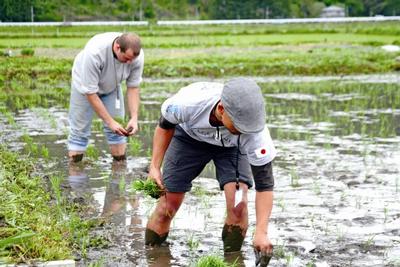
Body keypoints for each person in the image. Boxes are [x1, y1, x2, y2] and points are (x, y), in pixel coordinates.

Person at [145, 78, 276, 255]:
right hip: (188, 138)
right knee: (167, 206)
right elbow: (165, 126)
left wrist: (261, 231)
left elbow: (265, 185)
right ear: (221, 109)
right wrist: (154, 167)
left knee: (238, 207)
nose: (246, 130)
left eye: (249, 128)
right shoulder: (188, 104)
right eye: (240, 126)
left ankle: (232, 261)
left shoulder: (255, 134)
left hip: (232, 147)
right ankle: (152, 256)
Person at [67, 32, 144, 162]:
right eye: (126, 59)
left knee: (118, 130)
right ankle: (76, 176)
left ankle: (119, 173)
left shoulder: (137, 56)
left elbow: (133, 87)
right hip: (84, 88)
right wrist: (110, 122)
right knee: (79, 132)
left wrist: (134, 118)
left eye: (132, 60)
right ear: (117, 47)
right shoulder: (95, 52)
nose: (129, 63)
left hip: (112, 86)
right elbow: (90, 92)